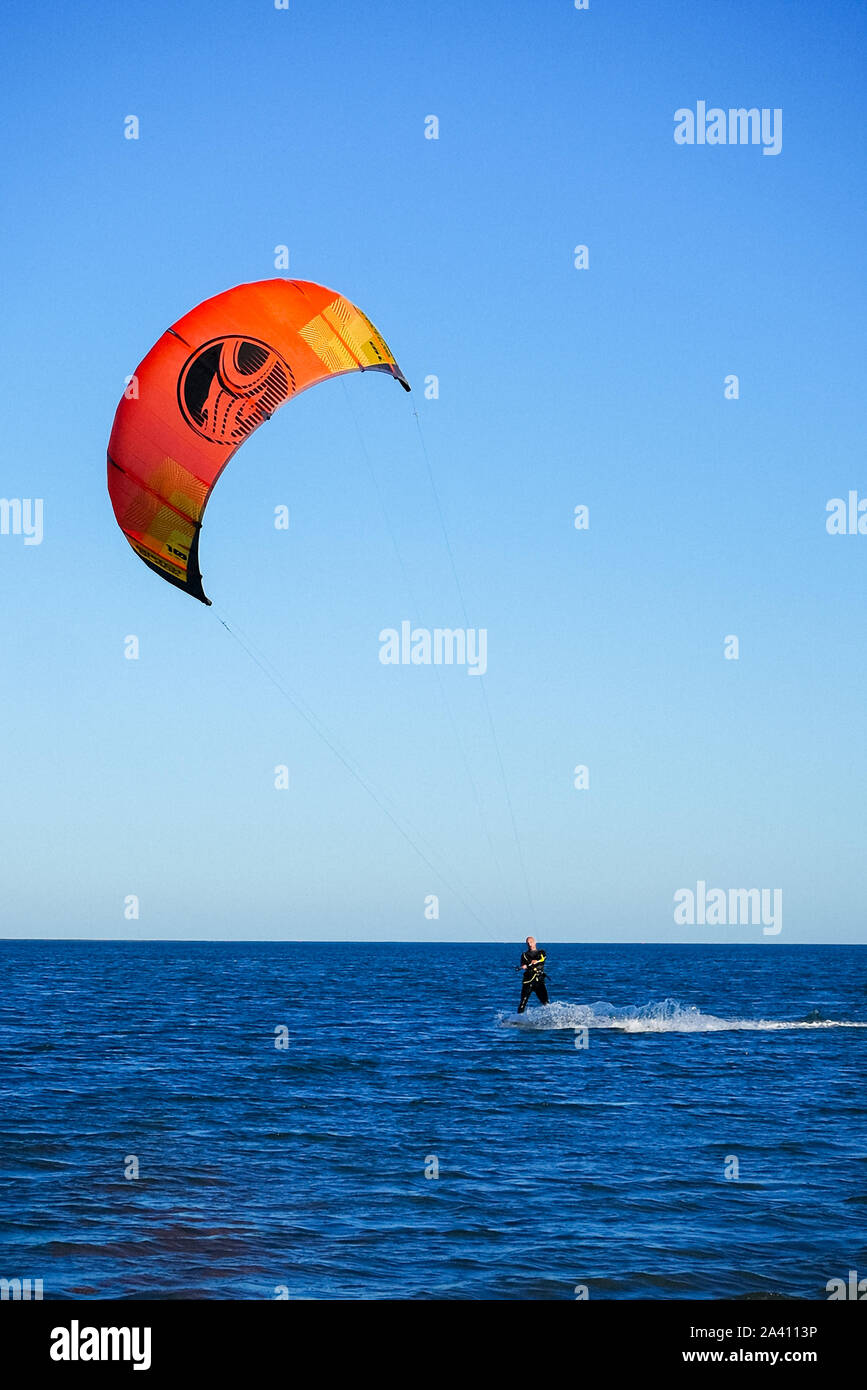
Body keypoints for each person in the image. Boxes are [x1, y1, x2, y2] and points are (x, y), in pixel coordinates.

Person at [517, 936, 548, 1012]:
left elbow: (542, 960)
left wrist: (536, 961)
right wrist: (524, 966)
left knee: (545, 1002)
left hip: (539, 981)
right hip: (528, 981)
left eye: (531, 942)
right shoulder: (524, 955)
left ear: (535, 942)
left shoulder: (541, 952)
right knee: (523, 1002)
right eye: (528, 943)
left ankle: (549, 1018)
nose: (530, 944)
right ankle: (518, 1019)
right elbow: (524, 964)